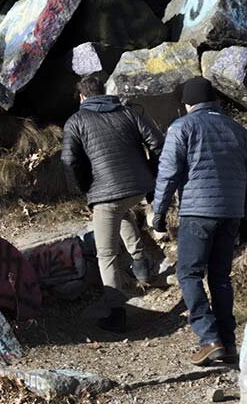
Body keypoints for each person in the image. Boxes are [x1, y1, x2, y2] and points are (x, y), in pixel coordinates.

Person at [152, 77, 247, 367]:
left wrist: (159, 212)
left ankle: (208, 338)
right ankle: (228, 343)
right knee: (221, 278)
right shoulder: (238, 130)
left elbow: (169, 172)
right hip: (232, 214)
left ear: (189, 103)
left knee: (189, 275)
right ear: (214, 101)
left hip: (198, 213)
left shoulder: (182, 127)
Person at [61, 73, 168, 334]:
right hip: (137, 188)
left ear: (82, 96)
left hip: (106, 194)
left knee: (106, 254)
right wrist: (151, 175)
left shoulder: (76, 120)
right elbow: (157, 143)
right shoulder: (128, 112)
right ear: (104, 91)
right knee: (123, 214)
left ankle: (116, 313)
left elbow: (69, 161)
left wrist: (83, 187)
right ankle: (142, 268)